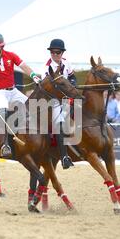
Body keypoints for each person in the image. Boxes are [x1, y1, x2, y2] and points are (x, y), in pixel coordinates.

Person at [0, 32, 40, 158]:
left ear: (2, 46)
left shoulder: (11, 56)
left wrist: (34, 76)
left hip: (13, 91)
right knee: (2, 113)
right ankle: (4, 145)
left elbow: (24, 66)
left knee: (33, 106)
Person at [42, 39, 77, 169]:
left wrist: (72, 85)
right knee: (60, 123)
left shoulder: (67, 63)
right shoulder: (46, 67)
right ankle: (64, 157)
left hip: (67, 97)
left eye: (57, 52)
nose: (55, 54)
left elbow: (73, 77)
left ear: (62, 53)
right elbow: (47, 87)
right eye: (52, 52)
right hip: (54, 100)